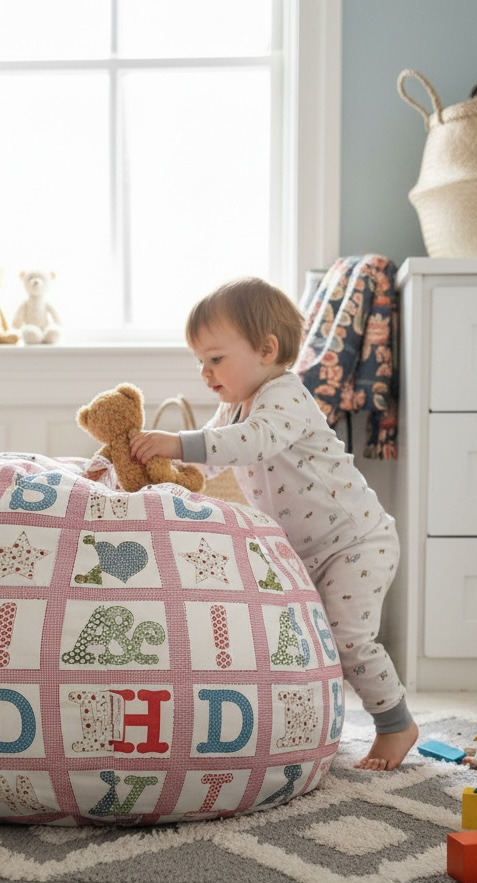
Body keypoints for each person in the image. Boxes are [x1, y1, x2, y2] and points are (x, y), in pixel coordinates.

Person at [130, 276, 418, 770]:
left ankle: (396, 724)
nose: (205, 371)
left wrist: (177, 442)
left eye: (216, 359)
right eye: (199, 360)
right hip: (305, 549)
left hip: (356, 541)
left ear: (266, 349)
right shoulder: (234, 406)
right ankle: (305, 722)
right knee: (302, 637)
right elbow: (210, 465)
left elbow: (251, 442)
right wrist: (156, 479)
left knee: (349, 638)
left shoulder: (285, 397)